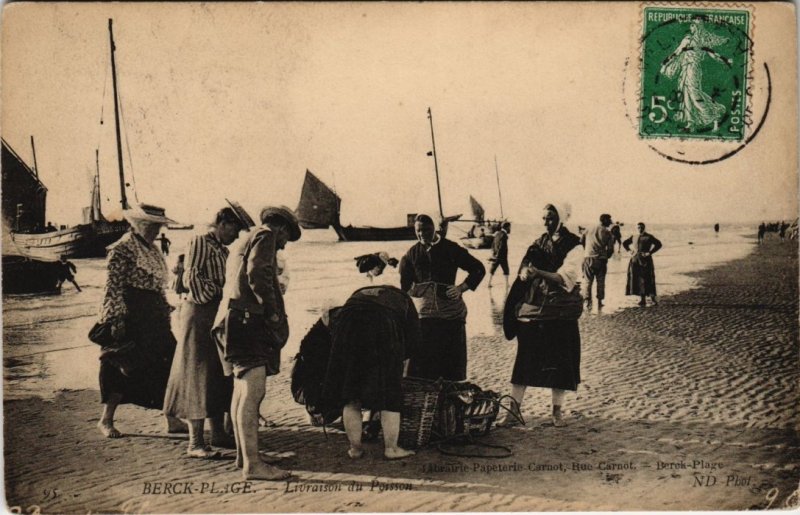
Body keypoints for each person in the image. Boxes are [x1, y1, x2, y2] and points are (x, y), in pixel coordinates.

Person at [213, 205, 301, 481]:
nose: (284, 245)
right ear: (282, 228)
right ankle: (253, 464)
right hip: (248, 322)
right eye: (287, 238)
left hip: (233, 319)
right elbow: (258, 274)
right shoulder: (266, 236)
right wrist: (272, 310)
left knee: (240, 391)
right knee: (254, 392)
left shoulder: (247, 238)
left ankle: (244, 455)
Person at [163, 204, 253, 458]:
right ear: (222, 223)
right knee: (197, 372)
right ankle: (195, 442)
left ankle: (218, 434)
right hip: (200, 314)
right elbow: (193, 278)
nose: (237, 235)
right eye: (235, 229)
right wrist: (219, 293)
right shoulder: (200, 241)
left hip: (211, 314)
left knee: (214, 372)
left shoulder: (220, 248)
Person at [94, 204, 182, 438]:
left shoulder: (152, 250)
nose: (156, 230)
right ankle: (106, 420)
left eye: (158, 226)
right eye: (153, 226)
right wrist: (116, 319)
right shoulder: (122, 248)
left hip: (153, 315)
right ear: (140, 225)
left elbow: (158, 285)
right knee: (119, 365)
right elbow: (113, 287)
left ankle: (171, 417)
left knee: (168, 362)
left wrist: (165, 307)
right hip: (130, 313)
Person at [497, 203, 583, 428]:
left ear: (562, 218)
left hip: (561, 312)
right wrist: (524, 272)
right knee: (524, 361)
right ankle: (513, 412)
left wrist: (538, 273)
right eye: (544, 218)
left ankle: (557, 412)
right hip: (535, 310)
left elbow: (567, 277)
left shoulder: (575, 245)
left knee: (561, 364)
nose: (547, 222)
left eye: (552, 218)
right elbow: (525, 267)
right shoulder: (538, 244)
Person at [319, 285, 421, 460]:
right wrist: (398, 369)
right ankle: (391, 449)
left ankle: (355, 449)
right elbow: (413, 340)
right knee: (390, 395)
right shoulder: (405, 301)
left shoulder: (359, 291)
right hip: (383, 324)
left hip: (348, 323)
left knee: (351, 395)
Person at [399, 213, 485, 381]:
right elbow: (405, 286)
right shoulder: (411, 254)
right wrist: (416, 292)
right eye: (418, 231)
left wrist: (461, 288)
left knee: (451, 368)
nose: (422, 234)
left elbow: (478, 269)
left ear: (434, 229)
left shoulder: (451, 248)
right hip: (424, 318)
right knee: (421, 369)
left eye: (426, 230)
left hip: (450, 316)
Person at [623, 222, 663, 306]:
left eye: (641, 227)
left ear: (644, 228)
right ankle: (642, 299)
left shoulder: (649, 237)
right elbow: (625, 243)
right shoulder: (634, 236)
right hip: (635, 259)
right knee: (638, 278)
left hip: (646, 260)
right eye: (638, 227)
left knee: (648, 278)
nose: (640, 229)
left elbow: (658, 244)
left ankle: (653, 298)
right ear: (636, 228)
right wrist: (629, 251)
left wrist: (650, 252)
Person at [581, 214, 615, 309]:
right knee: (600, 281)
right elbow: (611, 249)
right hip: (601, 259)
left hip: (588, 257)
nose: (610, 222)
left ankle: (587, 301)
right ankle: (599, 301)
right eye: (609, 220)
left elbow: (581, 240)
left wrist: (586, 250)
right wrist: (607, 256)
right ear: (605, 221)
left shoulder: (589, 228)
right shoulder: (608, 232)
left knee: (588, 281)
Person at [487, 222, 511, 288]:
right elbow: (502, 246)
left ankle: (489, 283)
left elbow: (493, 244)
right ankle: (507, 284)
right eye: (509, 227)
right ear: (506, 227)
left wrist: (493, 254)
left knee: (492, 269)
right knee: (506, 270)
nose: (510, 229)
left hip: (495, 255)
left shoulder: (497, 234)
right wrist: (499, 255)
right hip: (502, 256)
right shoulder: (504, 235)